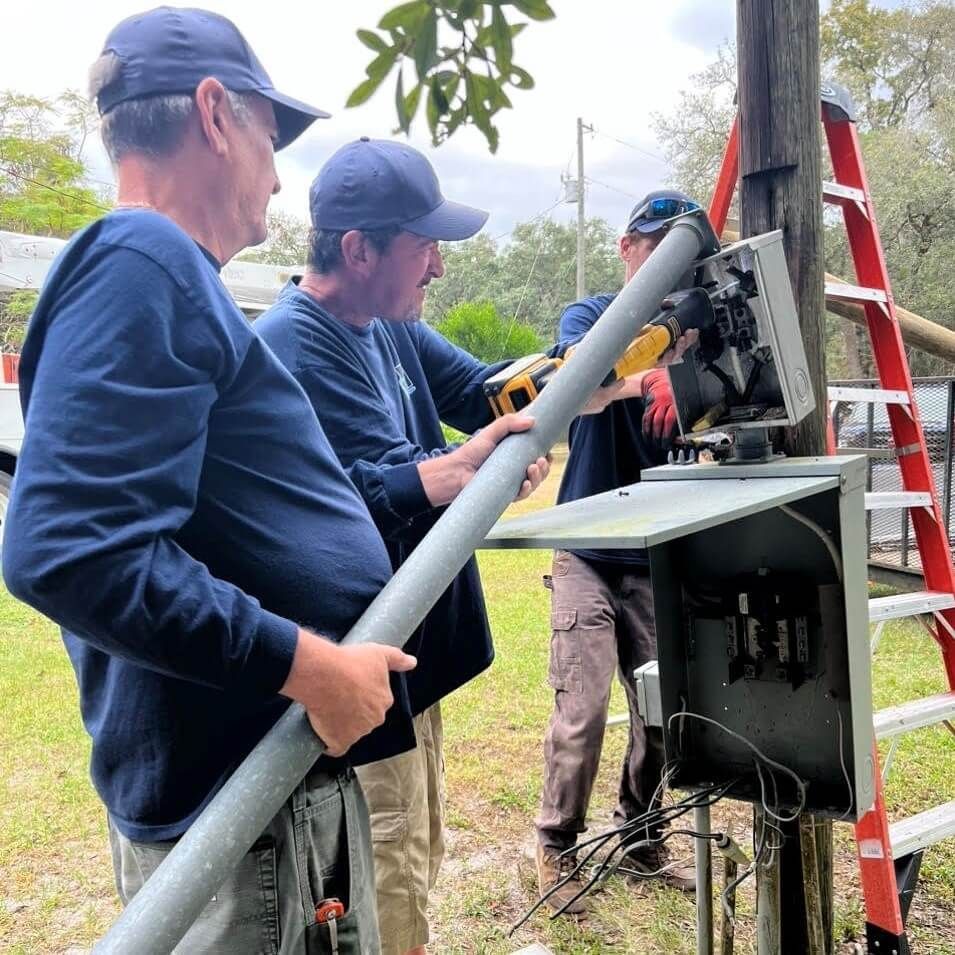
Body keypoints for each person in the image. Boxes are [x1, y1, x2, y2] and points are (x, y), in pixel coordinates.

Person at [0, 10, 481, 953]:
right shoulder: (145, 260)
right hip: (245, 815)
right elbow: (68, 549)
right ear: (216, 115)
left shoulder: (165, 274)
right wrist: (307, 664)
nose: (278, 170)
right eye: (273, 135)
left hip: (264, 798)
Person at [255, 138, 629, 955]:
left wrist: (600, 367)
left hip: (402, 655)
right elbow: (370, 485)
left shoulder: (386, 329)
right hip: (353, 656)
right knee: (384, 866)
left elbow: (488, 389)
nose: (437, 269)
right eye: (424, 247)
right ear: (359, 250)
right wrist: (454, 468)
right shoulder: (297, 344)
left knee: (415, 848)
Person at [535, 190, 702, 916]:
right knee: (584, 704)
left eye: (680, 248)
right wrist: (647, 377)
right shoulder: (590, 315)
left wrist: (692, 374)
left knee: (667, 712)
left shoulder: (701, 331)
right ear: (627, 247)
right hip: (585, 550)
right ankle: (555, 847)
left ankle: (641, 838)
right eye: (654, 242)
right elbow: (576, 383)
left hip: (655, 554)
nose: (663, 259)